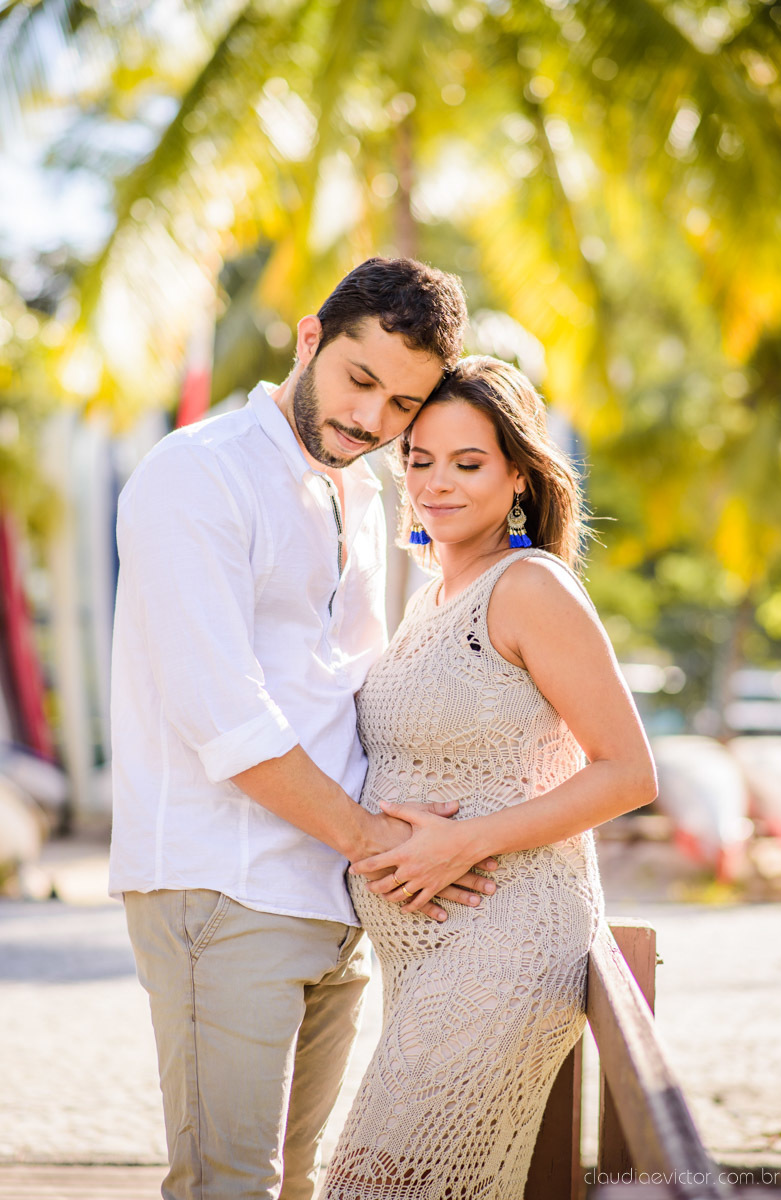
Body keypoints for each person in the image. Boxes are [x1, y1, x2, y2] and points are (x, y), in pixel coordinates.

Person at [109, 257, 498, 1200]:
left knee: (295, 1184)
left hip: (332, 895)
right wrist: (375, 842)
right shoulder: (196, 475)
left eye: (403, 405)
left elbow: (349, 690)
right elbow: (226, 715)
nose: (372, 421)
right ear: (310, 339)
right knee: (227, 1184)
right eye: (361, 381)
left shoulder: (355, 495)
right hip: (224, 886)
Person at [322, 356, 657, 1200]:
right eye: (420, 460)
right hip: (429, 957)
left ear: (516, 474)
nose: (436, 483)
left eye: (466, 463)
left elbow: (628, 772)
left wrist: (460, 844)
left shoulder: (528, 586)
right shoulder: (434, 595)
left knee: (377, 1186)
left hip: (505, 938)